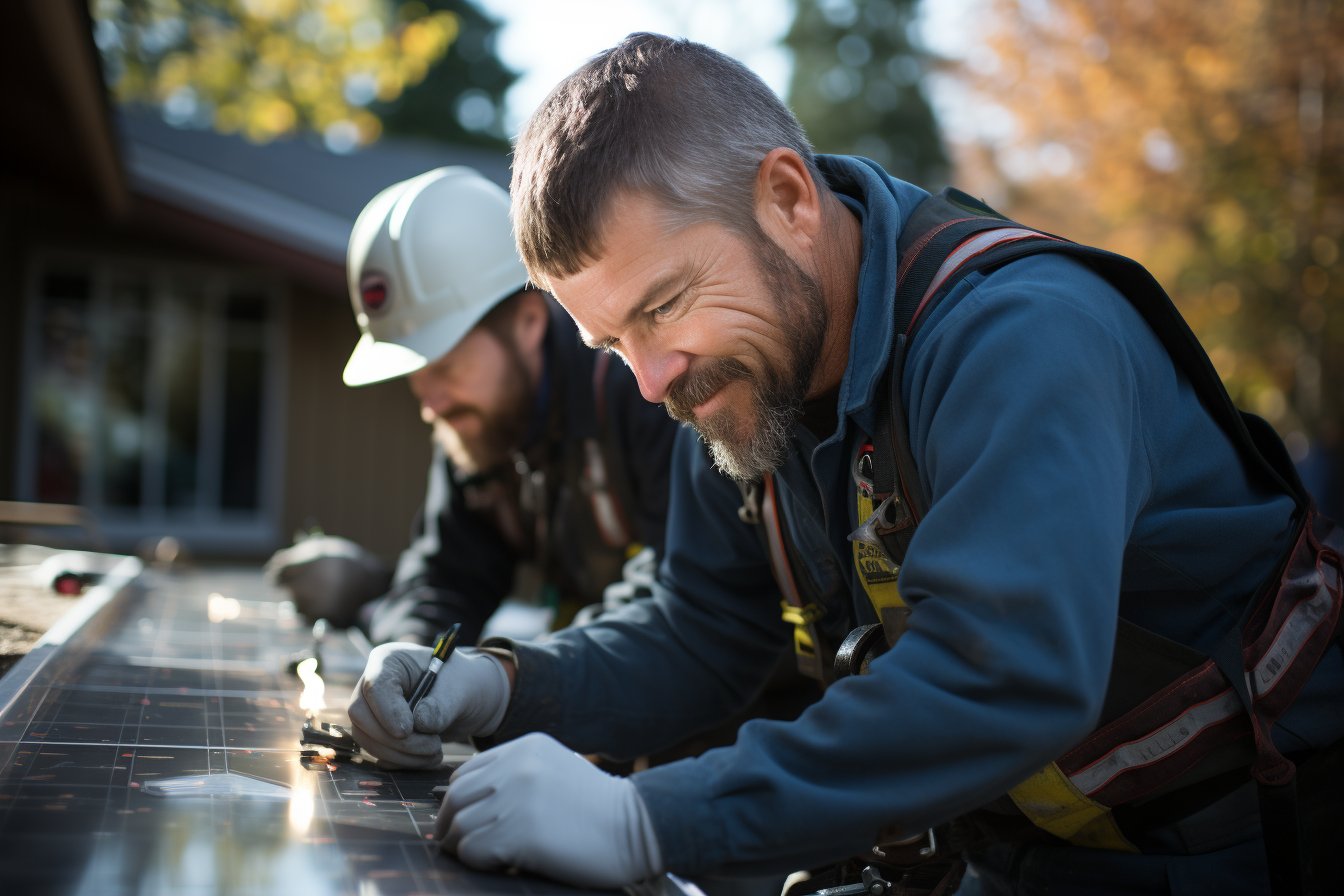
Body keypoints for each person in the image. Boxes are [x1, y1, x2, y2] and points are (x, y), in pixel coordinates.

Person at [347, 35, 1344, 895]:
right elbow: (698, 634)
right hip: (1024, 852)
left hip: (1254, 839)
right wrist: (493, 681)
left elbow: (999, 677)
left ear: (786, 198)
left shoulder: (1023, 338)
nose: (650, 382)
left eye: (660, 307)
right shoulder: (741, 387)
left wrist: (644, 817)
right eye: (610, 345)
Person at [285, 166, 678, 646]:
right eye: (414, 376)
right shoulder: (474, 426)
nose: (430, 404)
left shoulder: (643, 392)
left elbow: (679, 599)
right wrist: (411, 652)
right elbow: (445, 581)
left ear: (529, 322)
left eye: (446, 367)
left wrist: (519, 680)